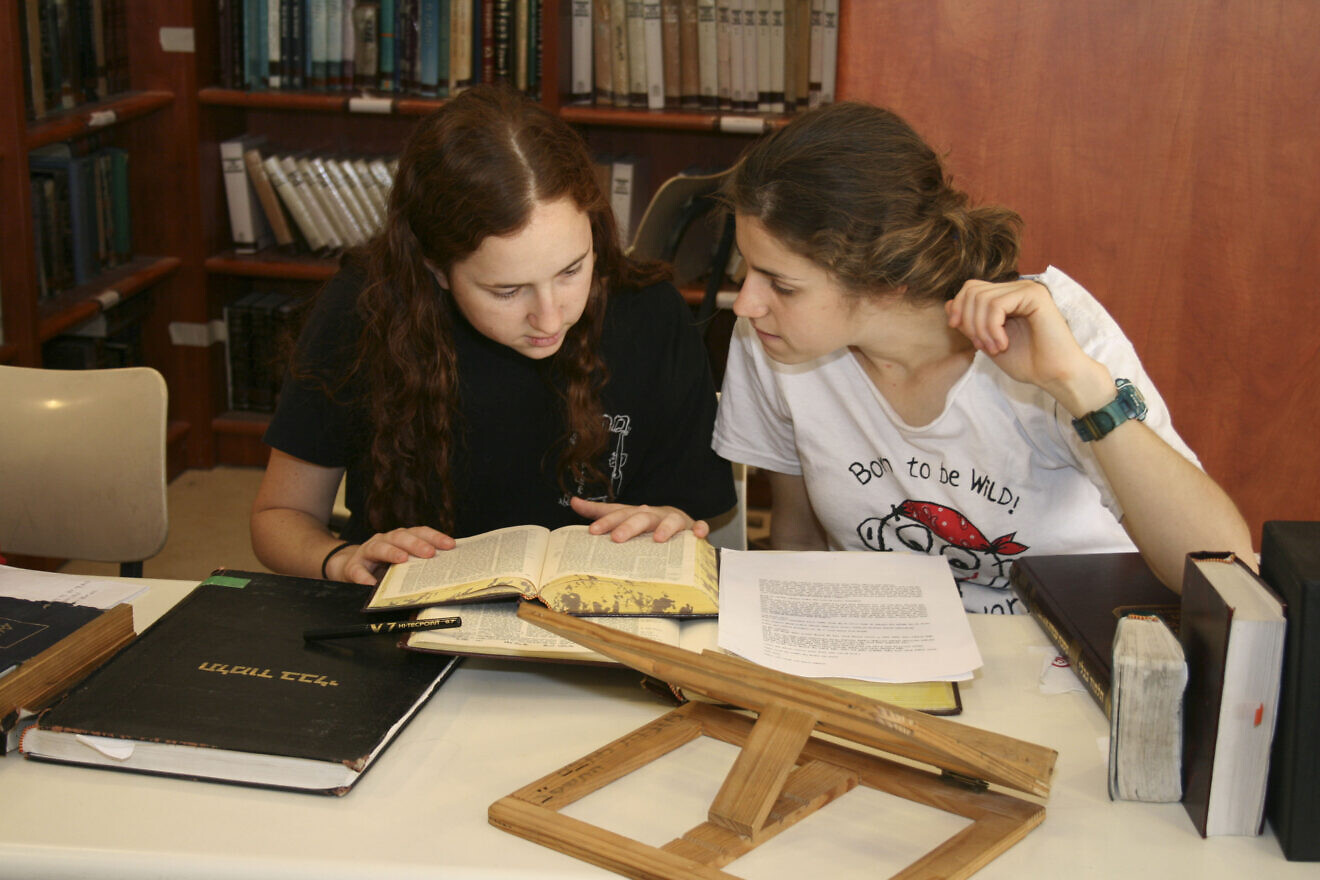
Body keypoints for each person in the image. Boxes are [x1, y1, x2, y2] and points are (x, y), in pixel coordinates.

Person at [712, 100, 1254, 613]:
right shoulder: (774, 340)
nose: (747, 303)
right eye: (748, 267)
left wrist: (1078, 386)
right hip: (889, 650)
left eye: (781, 284)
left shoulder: (1053, 327)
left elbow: (1220, 571)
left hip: (1071, 649)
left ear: (887, 278)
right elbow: (798, 541)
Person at [251, 84, 735, 586]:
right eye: (507, 291)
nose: (550, 319)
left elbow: (691, 513)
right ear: (436, 268)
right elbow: (279, 517)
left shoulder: (651, 312)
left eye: (572, 270)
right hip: (412, 628)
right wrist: (339, 559)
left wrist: (670, 524)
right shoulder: (364, 309)